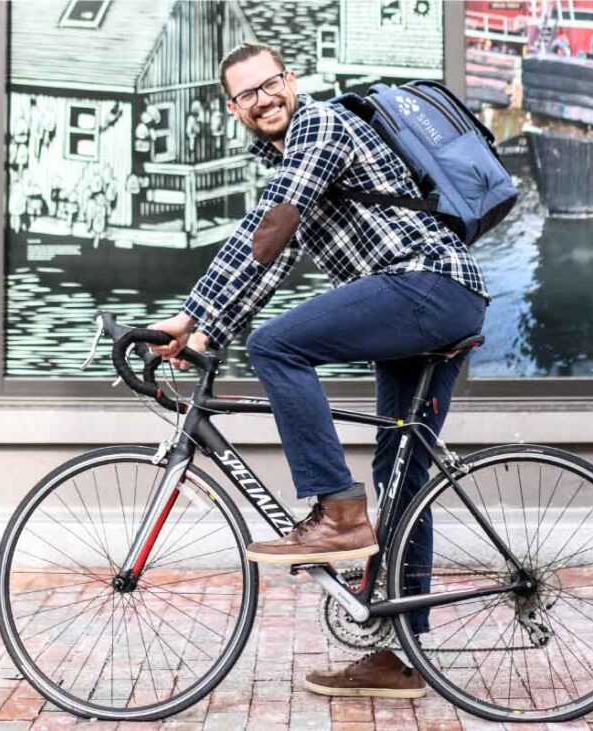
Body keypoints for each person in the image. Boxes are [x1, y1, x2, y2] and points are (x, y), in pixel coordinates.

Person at [148, 42, 490, 699]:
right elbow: (268, 255)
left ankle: (336, 511)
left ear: (291, 81)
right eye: (248, 94)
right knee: (402, 479)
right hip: (426, 299)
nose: (263, 99)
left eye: (270, 83)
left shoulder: (319, 125)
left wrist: (191, 317)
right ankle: (400, 655)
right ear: (234, 109)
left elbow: (270, 225)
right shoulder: (287, 163)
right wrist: (205, 327)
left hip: (427, 285)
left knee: (276, 346)